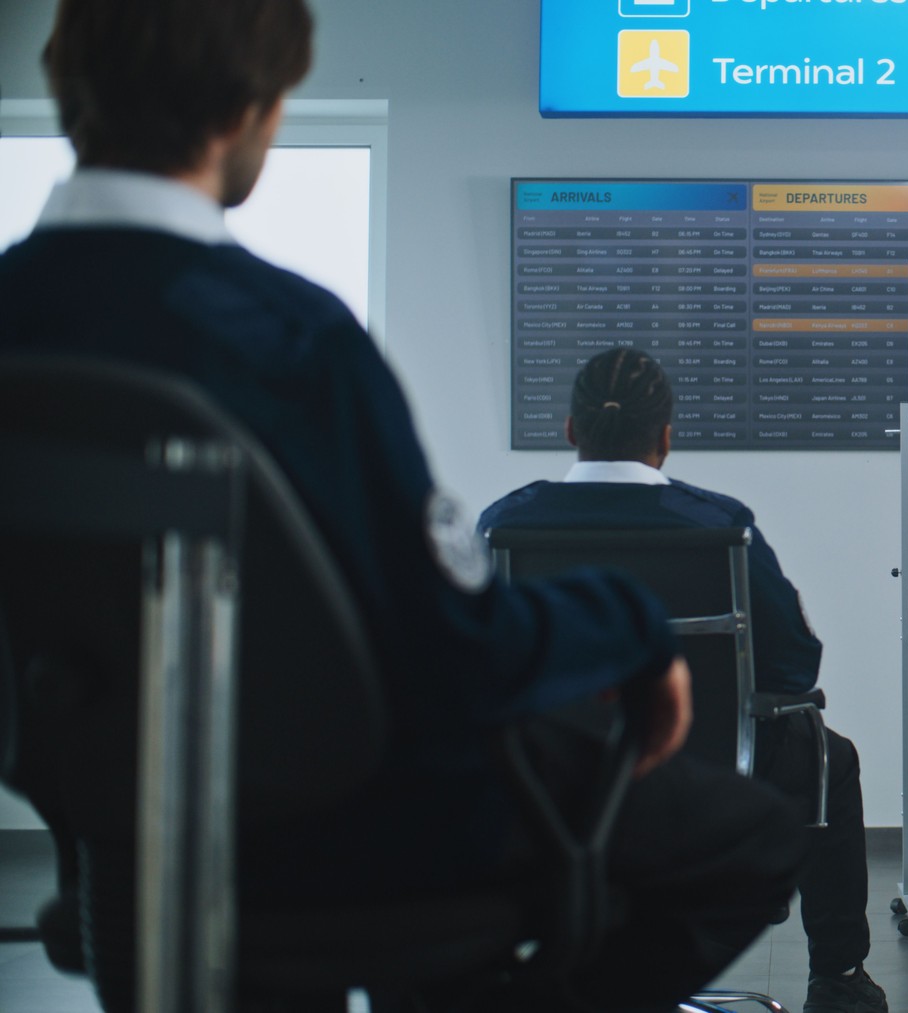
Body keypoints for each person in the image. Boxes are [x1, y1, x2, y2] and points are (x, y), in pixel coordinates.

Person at [0, 2, 804, 1010]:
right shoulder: (291, 339)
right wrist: (632, 629)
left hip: (104, 829)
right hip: (350, 823)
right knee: (750, 837)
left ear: (68, 84)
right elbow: (448, 642)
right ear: (246, 110)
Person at [478, 348, 889, 1013]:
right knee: (828, 758)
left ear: (571, 429)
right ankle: (838, 977)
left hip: (545, 780)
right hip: (705, 773)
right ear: (665, 437)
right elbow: (793, 666)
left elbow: (478, 662)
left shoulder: (505, 524)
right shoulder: (720, 526)